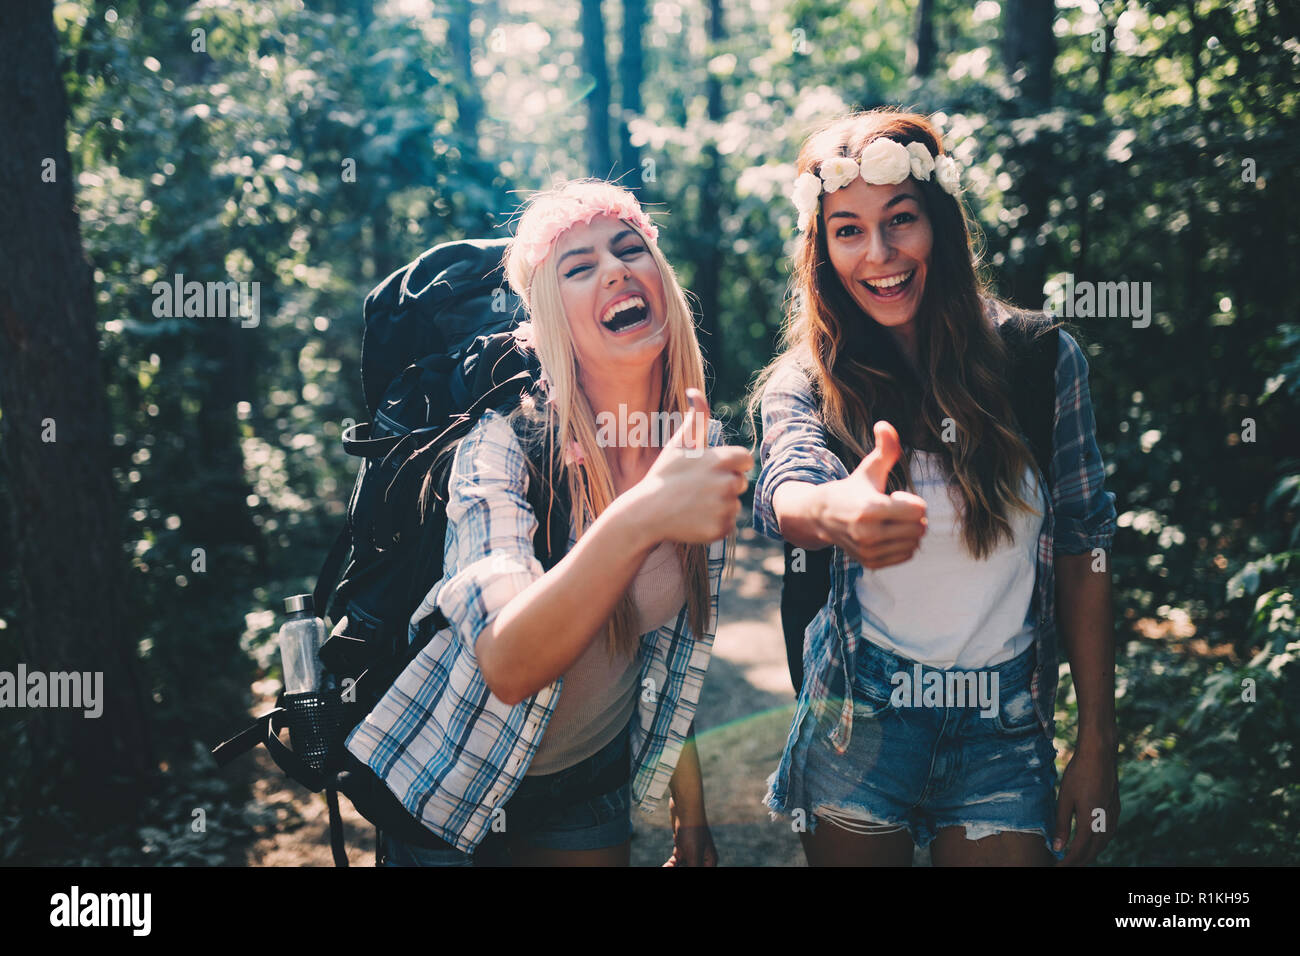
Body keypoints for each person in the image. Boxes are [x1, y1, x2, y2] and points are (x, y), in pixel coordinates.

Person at [749, 109, 1120, 866]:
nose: (878, 253)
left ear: (940, 224)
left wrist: (1097, 741)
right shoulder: (806, 383)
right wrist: (837, 511)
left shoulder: (1043, 363)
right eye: (847, 230)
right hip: (862, 709)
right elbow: (789, 489)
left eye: (901, 221)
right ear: (822, 250)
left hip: (1004, 724)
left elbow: (1086, 549)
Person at [346, 180, 752, 866]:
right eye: (579, 266)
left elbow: (654, 655)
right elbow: (508, 663)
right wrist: (641, 513)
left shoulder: (695, 447)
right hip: (449, 791)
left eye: (630, 249)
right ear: (548, 316)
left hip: (587, 791)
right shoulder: (502, 445)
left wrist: (691, 806)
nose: (617, 269)